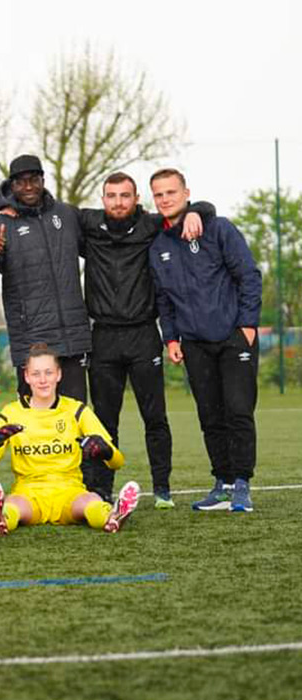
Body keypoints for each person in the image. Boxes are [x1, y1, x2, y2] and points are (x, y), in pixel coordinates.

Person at [78, 172, 212, 506]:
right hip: (104, 337)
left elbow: (205, 208)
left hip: (143, 334)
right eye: (111, 195)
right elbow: (49, 210)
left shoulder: (152, 225)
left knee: (155, 417)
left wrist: (196, 211)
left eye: (125, 195)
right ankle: (100, 490)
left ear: (136, 198)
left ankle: (162, 489)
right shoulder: (89, 225)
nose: (118, 202)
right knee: (104, 421)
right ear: (103, 198)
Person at [148, 168, 262, 513]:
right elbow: (163, 299)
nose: (165, 198)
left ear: (186, 193)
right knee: (209, 415)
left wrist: (247, 325)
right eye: (159, 194)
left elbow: (249, 276)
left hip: (233, 338)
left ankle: (242, 484)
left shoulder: (218, 228)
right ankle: (223, 483)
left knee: (238, 411)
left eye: (171, 192)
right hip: (194, 343)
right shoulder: (159, 246)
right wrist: (170, 338)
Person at [0, 155, 92, 401]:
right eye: (21, 182)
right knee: (33, 421)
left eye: (33, 180)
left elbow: (100, 246)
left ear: (43, 180)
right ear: (11, 185)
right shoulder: (3, 223)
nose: (28, 187)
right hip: (31, 340)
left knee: (75, 415)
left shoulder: (67, 214)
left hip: (72, 338)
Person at [0, 344, 140, 534]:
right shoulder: (11, 412)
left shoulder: (76, 410)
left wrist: (106, 451)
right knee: (13, 505)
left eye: (48, 372)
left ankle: (113, 517)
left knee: (91, 501)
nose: (42, 380)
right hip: (28, 492)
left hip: (69, 491)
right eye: (36, 374)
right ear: (26, 376)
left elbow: (117, 462)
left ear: (58, 374)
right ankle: (1, 519)